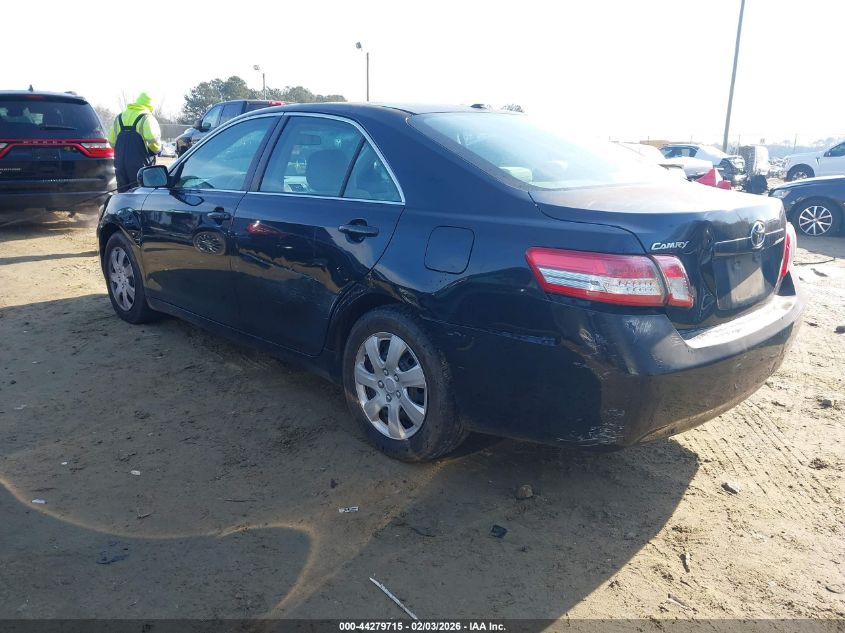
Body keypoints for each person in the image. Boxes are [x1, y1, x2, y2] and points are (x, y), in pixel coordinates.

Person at [107, 93, 161, 192]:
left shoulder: (119, 117)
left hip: (120, 164)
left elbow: (111, 141)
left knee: (123, 193)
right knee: (140, 193)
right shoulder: (146, 117)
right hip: (139, 165)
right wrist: (154, 151)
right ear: (149, 106)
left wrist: (122, 152)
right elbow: (153, 139)